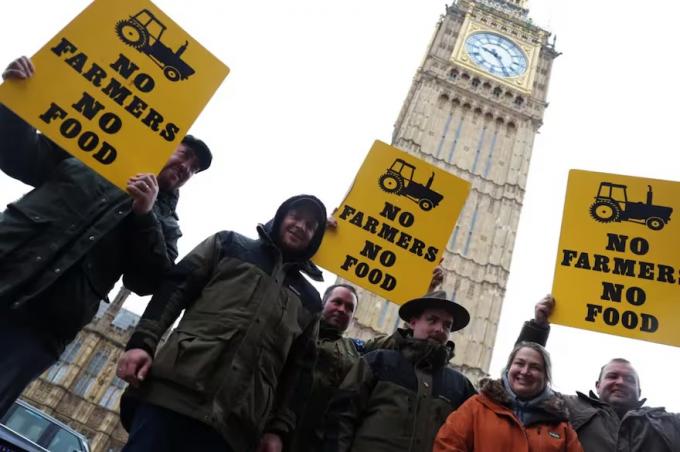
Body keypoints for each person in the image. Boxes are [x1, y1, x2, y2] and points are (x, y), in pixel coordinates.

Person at [0, 56, 212, 416]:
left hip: (43, 326)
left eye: (194, 169)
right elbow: (18, 156)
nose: (186, 169)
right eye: (185, 156)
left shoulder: (166, 223)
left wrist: (144, 215)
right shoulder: (93, 151)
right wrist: (15, 101)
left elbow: (149, 280)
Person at [116, 195, 327, 452]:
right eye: (296, 216)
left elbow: (300, 371)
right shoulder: (229, 244)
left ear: (315, 238)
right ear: (281, 216)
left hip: (233, 425)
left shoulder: (310, 300)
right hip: (174, 394)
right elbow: (176, 286)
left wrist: (278, 430)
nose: (301, 226)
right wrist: (143, 343)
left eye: (311, 225)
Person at [516, 296, 680, 451]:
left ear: (640, 392)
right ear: (597, 385)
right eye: (612, 376)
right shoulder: (568, 408)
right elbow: (524, 384)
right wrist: (537, 328)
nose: (620, 382)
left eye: (629, 379)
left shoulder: (667, 423)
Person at [322, 290, 476, 452]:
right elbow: (340, 418)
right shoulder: (377, 362)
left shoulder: (460, 386)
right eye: (432, 320)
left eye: (447, 325)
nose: (439, 329)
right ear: (413, 322)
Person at [434, 341, 583, 451]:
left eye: (535, 367)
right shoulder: (477, 406)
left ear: (546, 377)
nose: (525, 371)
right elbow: (447, 446)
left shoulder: (560, 426)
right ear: (508, 369)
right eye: (519, 363)